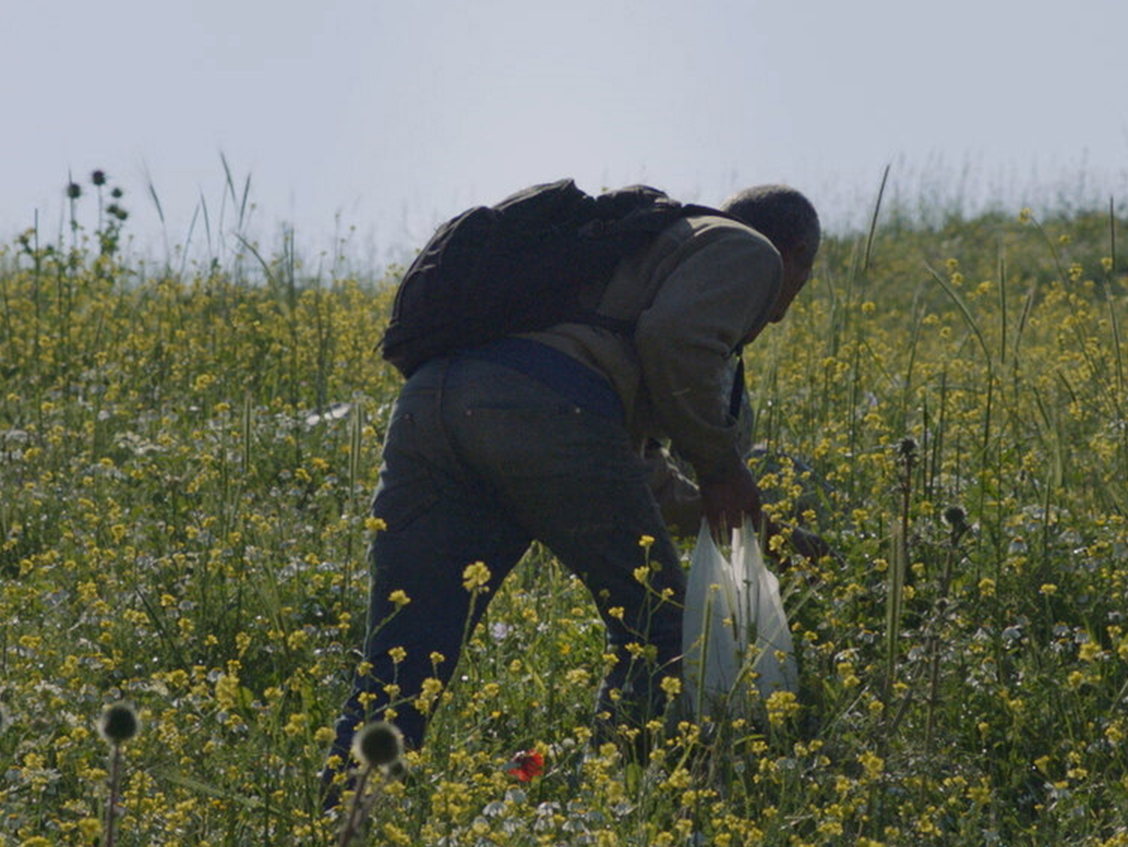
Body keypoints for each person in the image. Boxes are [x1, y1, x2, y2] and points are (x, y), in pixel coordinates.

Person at [323, 184, 821, 790]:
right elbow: (677, 342)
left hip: (432, 404)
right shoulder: (750, 250)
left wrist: (758, 527)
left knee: (405, 652)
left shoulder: (632, 258)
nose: (779, 308)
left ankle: (340, 815)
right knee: (654, 631)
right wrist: (723, 468)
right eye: (799, 283)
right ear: (795, 253)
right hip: (545, 411)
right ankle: (615, 806)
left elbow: (630, 478)